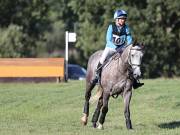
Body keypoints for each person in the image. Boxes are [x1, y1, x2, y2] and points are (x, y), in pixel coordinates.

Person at [92, 9, 144, 89]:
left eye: (124, 19)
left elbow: (129, 40)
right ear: (117, 19)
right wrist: (116, 48)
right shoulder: (111, 27)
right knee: (102, 59)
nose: (123, 20)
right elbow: (108, 40)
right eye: (122, 19)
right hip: (110, 48)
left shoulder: (126, 28)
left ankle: (134, 82)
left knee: (129, 62)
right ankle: (96, 77)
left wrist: (127, 47)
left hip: (121, 49)